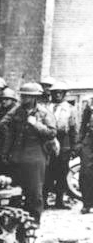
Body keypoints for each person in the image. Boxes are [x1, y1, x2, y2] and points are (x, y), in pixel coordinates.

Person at [0, 82, 57, 223]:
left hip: (35, 157)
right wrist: (6, 152)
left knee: (34, 193)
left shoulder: (44, 113)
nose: (23, 99)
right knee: (15, 192)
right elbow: (3, 124)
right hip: (17, 156)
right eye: (22, 96)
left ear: (34, 97)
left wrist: (36, 124)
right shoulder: (17, 111)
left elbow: (52, 133)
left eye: (27, 96)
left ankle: (33, 222)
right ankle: (15, 221)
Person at [44, 81, 78, 209]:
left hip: (64, 143)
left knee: (61, 173)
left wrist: (74, 147)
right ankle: (44, 200)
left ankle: (59, 201)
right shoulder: (46, 107)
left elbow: (74, 129)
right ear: (51, 94)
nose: (57, 95)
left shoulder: (70, 109)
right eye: (55, 93)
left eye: (60, 93)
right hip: (48, 142)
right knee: (47, 172)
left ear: (64, 94)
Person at [78, 99, 93, 214]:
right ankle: (87, 204)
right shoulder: (90, 104)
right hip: (89, 140)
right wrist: (79, 142)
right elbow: (83, 124)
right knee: (85, 172)